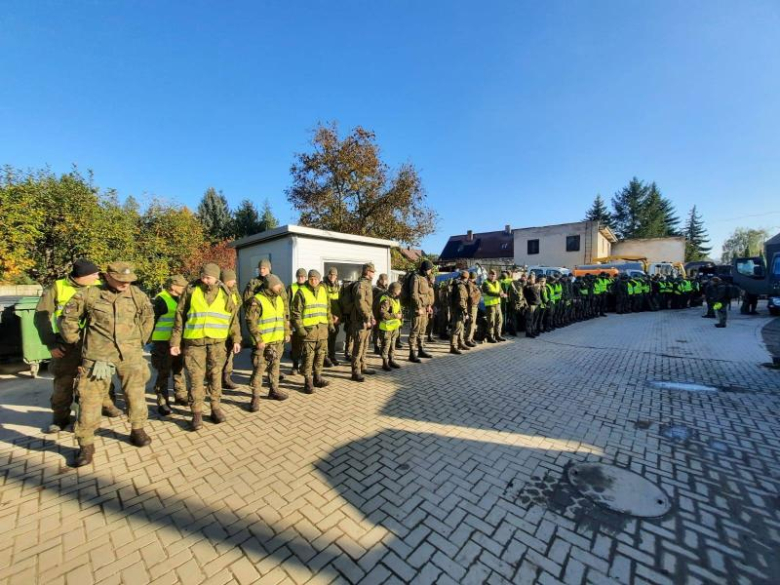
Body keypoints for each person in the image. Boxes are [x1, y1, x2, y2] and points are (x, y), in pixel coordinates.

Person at [60, 262, 155, 467]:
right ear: (108, 277)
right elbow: (68, 318)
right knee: (89, 400)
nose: (125, 284)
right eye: (121, 280)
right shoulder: (90, 294)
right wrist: (75, 342)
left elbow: (148, 317)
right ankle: (86, 444)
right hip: (98, 357)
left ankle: (137, 428)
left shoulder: (137, 294)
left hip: (130, 355)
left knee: (135, 394)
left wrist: (139, 342)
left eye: (129, 280)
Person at [34, 259, 121, 433]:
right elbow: (41, 317)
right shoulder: (57, 287)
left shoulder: (99, 286)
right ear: (82, 276)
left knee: (101, 377)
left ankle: (107, 405)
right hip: (66, 344)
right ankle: (60, 419)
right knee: (63, 382)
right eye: (94, 274)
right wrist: (50, 343)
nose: (98, 276)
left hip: (95, 342)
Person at [170, 263, 242, 431]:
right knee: (195, 380)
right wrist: (175, 341)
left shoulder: (226, 293)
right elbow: (179, 316)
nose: (204, 279)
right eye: (202, 275)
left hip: (217, 345)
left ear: (216, 277)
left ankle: (215, 408)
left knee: (215, 377)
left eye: (208, 277)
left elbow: (233, 319)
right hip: (194, 344)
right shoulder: (191, 290)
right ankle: (196, 414)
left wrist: (237, 339)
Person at [245, 274, 290, 410]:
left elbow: (284, 318)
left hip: (277, 341)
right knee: (259, 369)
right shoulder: (256, 300)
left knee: (275, 367)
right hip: (263, 343)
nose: (280, 287)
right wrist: (258, 339)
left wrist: (286, 332)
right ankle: (255, 397)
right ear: (270, 286)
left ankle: (273, 390)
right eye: (278, 285)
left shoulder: (279, 299)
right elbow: (250, 321)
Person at [150, 274, 189, 416]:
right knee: (163, 372)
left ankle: (180, 396)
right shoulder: (160, 300)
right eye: (182, 286)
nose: (184, 289)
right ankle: (162, 401)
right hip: (162, 343)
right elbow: (150, 322)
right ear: (173, 286)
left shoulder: (181, 298)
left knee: (179, 369)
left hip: (178, 342)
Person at [290, 269, 332, 393]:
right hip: (308, 332)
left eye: (315, 279)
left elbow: (327, 309)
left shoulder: (324, 291)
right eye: (311, 278)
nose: (313, 281)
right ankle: (307, 382)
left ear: (319, 280)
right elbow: (295, 313)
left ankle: (317, 378)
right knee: (308, 357)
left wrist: (330, 323)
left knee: (320, 355)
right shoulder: (301, 292)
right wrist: (300, 329)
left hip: (322, 331)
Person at [350, 263, 376, 382]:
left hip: (367, 319)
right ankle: (356, 372)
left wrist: (372, 317)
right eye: (372, 272)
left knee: (365, 345)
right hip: (360, 321)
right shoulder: (361, 285)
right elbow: (360, 303)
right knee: (358, 346)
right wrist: (367, 318)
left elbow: (368, 305)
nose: (373, 274)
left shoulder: (367, 284)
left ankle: (363, 366)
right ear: (367, 272)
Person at [408, 260, 434, 362]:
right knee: (415, 330)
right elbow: (414, 294)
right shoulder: (416, 278)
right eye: (430, 269)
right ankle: (412, 353)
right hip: (417, 309)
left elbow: (426, 294)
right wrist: (418, 307)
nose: (431, 271)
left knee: (422, 329)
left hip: (424, 309)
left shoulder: (425, 278)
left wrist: (429, 305)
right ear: (426, 269)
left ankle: (421, 349)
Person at [220, 269, 242, 390]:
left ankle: (226, 379)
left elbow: (237, 304)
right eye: (232, 279)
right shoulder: (219, 293)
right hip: (220, 331)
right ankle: (215, 382)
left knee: (229, 356)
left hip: (231, 328)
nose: (234, 281)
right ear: (225, 280)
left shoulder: (233, 291)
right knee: (218, 358)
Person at [377, 282, 403, 371]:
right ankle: (385, 363)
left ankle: (391, 360)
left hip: (394, 327)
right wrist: (396, 316)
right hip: (386, 327)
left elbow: (399, 310)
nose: (400, 292)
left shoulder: (396, 299)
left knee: (393, 344)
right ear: (395, 290)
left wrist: (400, 317)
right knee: (386, 345)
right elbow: (383, 314)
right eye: (399, 290)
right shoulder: (386, 299)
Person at [287, 268, 308, 375]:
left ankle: (304, 366)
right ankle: (295, 366)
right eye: (299, 276)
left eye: (303, 277)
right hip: (295, 321)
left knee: (306, 345)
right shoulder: (291, 288)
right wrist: (288, 321)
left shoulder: (308, 288)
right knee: (295, 346)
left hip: (306, 322)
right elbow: (286, 305)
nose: (301, 278)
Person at [323, 267, 342, 367]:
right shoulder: (323, 285)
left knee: (333, 339)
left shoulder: (338, 286)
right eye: (330, 274)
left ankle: (332, 356)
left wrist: (339, 317)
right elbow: (324, 303)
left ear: (336, 276)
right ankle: (325, 358)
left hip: (336, 318)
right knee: (326, 339)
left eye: (334, 275)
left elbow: (340, 303)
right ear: (328, 275)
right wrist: (331, 316)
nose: (332, 276)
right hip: (327, 317)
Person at [449, 270, 470, 354]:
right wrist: (465, 311)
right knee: (456, 329)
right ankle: (453, 347)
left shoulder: (458, 284)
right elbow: (461, 301)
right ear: (466, 278)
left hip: (457, 309)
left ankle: (460, 343)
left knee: (460, 328)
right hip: (458, 310)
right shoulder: (461, 286)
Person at [482, 270, 506, 342]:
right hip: (490, 305)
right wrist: (499, 294)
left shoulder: (497, 282)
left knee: (499, 320)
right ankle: (490, 336)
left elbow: (501, 290)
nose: (493, 277)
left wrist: (502, 293)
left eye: (494, 276)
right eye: (491, 275)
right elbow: (489, 292)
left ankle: (498, 335)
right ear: (488, 275)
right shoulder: (485, 283)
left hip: (497, 304)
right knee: (491, 321)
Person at [372, 273, 389, 354]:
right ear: (380, 280)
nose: (385, 281)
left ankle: (381, 346)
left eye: (386, 280)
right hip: (376, 313)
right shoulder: (376, 289)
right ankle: (376, 346)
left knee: (382, 331)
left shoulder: (386, 289)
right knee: (376, 331)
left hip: (382, 313)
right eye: (383, 280)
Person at [465, 271, 481, 346]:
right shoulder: (469, 284)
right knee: (471, 322)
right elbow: (471, 296)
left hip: (474, 305)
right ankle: (468, 339)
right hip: (472, 305)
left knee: (473, 322)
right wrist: (477, 292)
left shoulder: (472, 284)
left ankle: (470, 338)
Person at [524, 273, 541, 338]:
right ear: (529, 279)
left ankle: (533, 330)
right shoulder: (527, 287)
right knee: (529, 319)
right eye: (532, 279)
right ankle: (528, 332)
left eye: (534, 279)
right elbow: (527, 292)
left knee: (535, 319)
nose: (533, 280)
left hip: (537, 304)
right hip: (531, 305)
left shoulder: (536, 286)